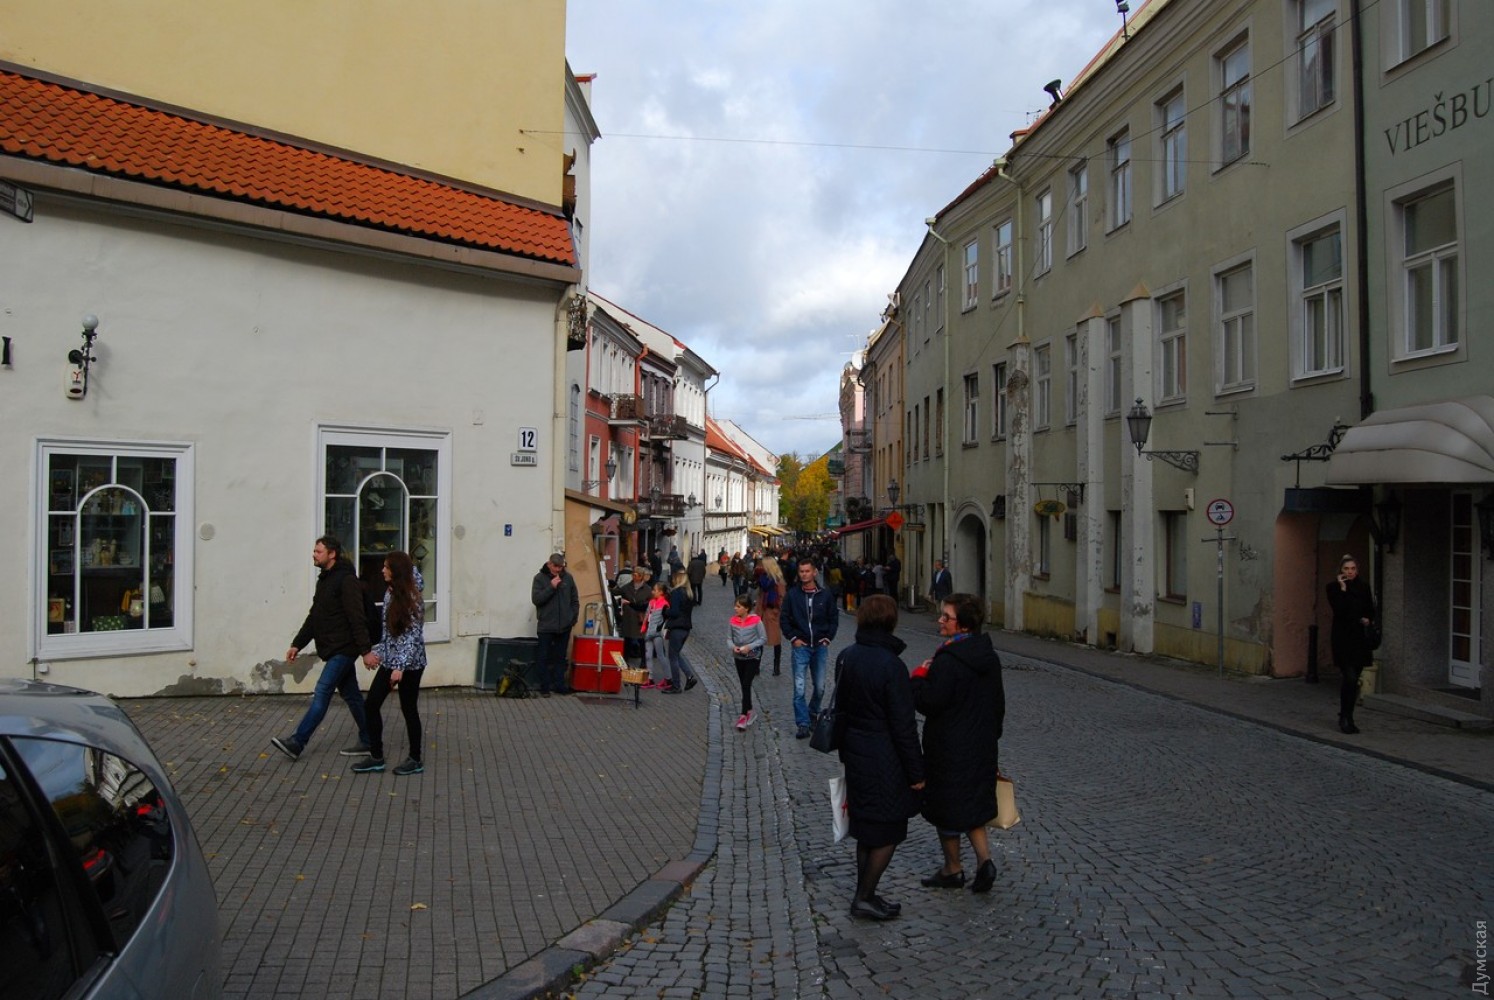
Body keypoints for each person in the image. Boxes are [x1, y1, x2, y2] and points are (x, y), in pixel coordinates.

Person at [835, 595, 926, 921]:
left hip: (856, 752)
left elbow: (841, 709)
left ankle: (867, 894)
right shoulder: (891, 665)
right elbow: (903, 726)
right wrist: (917, 772)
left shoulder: (847, 656)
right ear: (890, 621)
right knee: (889, 830)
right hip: (885, 758)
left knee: (865, 828)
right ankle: (864, 897)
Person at [912, 592, 1005, 894]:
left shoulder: (948, 660)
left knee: (947, 807)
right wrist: (990, 738)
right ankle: (985, 861)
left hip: (949, 747)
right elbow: (998, 705)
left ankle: (952, 869)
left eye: (946, 617)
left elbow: (929, 702)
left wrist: (919, 678)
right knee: (973, 804)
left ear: (963, 625)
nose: (940, 620)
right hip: (981, 744)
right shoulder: (988, 657)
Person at [272, 535, 375, 762]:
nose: (314, 555)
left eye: (318, 552)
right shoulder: (325, 580)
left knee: (322, 691)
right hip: (334, 647)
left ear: (332, 554)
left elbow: (357, 617)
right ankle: (370, 740)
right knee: (352, 696)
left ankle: (297, 742)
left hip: (344, 649)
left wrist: (365, 651)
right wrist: (297, 644)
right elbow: (315, 616)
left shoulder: (346, 580)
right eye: (314, 551)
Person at [352, 551, 426, 776]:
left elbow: (413, 636)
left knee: (409, 708)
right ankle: (376, 757)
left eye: (386, 567)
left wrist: (399, 667)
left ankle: (415, 759)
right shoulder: (390, 592)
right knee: (371, 704)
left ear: (396, 571)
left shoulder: (413, 598)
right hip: (391, 660)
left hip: (411, 664)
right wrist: (376, 653)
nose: (382, 570)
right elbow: (389, 634)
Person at [782, 556, 839, 740]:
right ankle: (803, 724)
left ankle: (813, 711)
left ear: (814, 572)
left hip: (820, 646)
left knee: (820, 687)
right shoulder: (793, 595)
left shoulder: (825, 595)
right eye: (801, 571)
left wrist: (828, 638)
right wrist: (793, 638)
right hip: (801, 647)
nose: (804, 575)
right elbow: (784, 618)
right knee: (799, 688)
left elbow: (833, 617)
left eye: (807, 571)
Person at [1326, 553, 1376, 735]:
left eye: (1353, 568)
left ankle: (1348, 715)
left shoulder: (1363, 587)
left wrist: (1367, 619)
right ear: (1341, 570)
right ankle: (1344, 717)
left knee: (1354, 681)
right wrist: (1343, 588)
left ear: (1357, 570)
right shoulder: (1333, 588)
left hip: (1360, 639)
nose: (1350, 572)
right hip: (1343, 638)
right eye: (1346, 569)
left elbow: (1370, 609)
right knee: (1350, 677)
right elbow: (1340, 610)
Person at [531, 552, 579, 697]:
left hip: (564, 626)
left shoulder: (568, 578)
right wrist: (551, 587)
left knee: (560, 658)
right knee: (543, 657)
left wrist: (572, 618)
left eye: (560, 567)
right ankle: (544, 687)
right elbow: (536, 599)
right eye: (555, 566)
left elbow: (574, 599)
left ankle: (560, 685)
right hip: (546, 626)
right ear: (549, 564)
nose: (558, 569)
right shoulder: (539, 578)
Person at [728, 594, 766, 730]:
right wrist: (733, 647)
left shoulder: (756, 621)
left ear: (746, 608)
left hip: (753, 657)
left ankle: (743, 715)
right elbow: (729, 638)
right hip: (739, 657)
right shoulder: (733, 621)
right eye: (735, 606)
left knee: (746, 683)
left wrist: (749, 647)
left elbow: (763, 639)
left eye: (738, 606)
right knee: (744, 685)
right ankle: (750, 710)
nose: (735, 608)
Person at [663, 569, 701, 693]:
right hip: (686, 627)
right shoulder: (689, 593)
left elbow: (674, 612)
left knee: (672, 657)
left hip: (677, 627)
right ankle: (689, 677)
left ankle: (676, 685)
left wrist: (665, 611)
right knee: (676, 654)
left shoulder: (677, 592)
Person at [612, 565, 653, 666]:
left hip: (640, 619)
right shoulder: (627, 587)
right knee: (627, 641)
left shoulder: (648, 589)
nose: (634, 577)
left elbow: (651, 604)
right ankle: (624, 663)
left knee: (642, 641)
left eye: (636, 575)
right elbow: (616, 592)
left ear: (641, 576)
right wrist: (609, 586)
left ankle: (643, 662)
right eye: (633, 574)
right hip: (629, 618)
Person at [755, 555, 786, 676]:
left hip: (772, 612)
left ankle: (776, 666)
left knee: (775, 640)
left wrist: (776, 611)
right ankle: (756, 666)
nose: (761, 567)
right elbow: (759, 595)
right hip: (761, 612)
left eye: (763, 565)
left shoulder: (777, 580)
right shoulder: (762, 578)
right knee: (759, 639)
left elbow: (782, 597)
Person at [643, 581, 670, 688]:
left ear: (661, 592)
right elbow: (647, 614)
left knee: (660, 656)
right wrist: (644, 626)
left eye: (655, 590)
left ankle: (668, 678)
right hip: (649, 632)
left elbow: (665, 620)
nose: (652, 592)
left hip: (657, 634)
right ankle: (650, 679)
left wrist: (660, 631)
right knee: (648, 656)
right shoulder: (651, 602)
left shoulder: (665, 604)